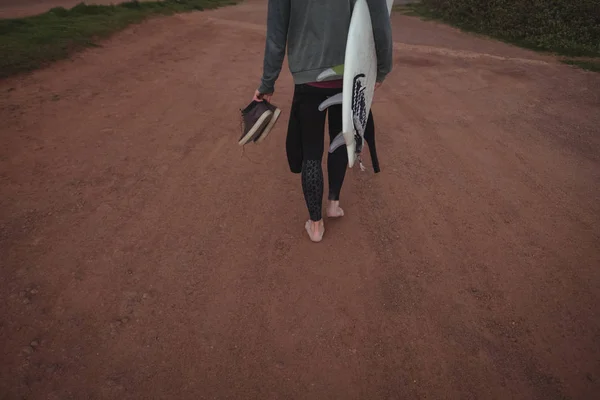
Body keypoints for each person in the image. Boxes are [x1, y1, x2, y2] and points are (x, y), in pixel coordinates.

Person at [252, 0, 393, 242]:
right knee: (341, 136)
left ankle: (316, 225)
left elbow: (276, 32)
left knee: (311, 151)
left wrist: (267, 83)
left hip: (308, 76)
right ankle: (333, 204)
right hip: (347, 72)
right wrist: (382, 67)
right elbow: (379, 16)